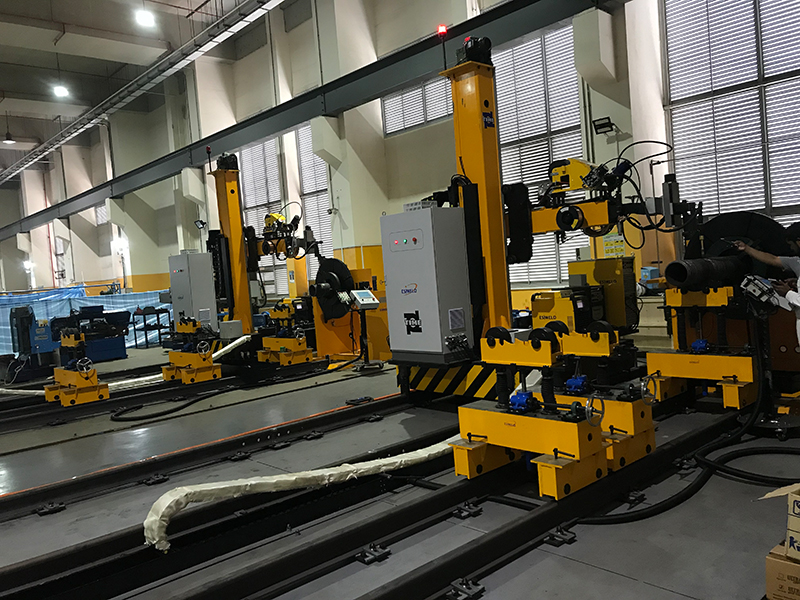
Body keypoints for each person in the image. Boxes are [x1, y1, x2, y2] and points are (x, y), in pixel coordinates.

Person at [735, 228, 800, 343]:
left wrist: (787, 293)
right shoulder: (797, 262)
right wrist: (746, 248)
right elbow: (773, 259)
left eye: (791, 244)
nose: (791, 248)